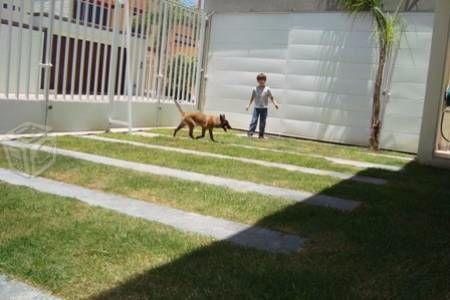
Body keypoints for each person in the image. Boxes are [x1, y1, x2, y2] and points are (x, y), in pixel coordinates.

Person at [246, 73, 279, 139]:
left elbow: (271, 97)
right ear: (258, 81)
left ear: (265, 80)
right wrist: (248, 105)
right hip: (257, 108)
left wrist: (275, 104)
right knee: (254, 121)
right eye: (260, 80)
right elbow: (252, 97)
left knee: (262, 122)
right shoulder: (255, 89)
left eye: (263, 80)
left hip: (264, 108)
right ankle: (250, 134)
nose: (261, 81)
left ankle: (261, 136)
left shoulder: (267, 89)